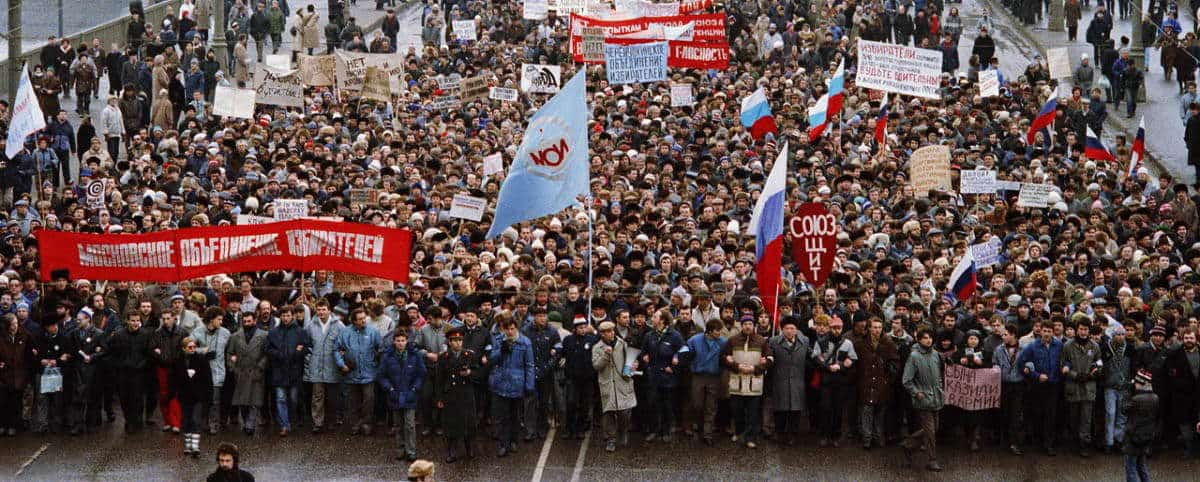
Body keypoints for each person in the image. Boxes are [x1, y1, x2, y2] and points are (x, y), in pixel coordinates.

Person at [721, 314, 770, 449]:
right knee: (737, 411)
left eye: (750, 324)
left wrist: (756, 368)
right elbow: (724, 357)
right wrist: (737, 366)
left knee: (753, 413)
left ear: (754, 325)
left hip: (754, 383)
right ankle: (739, 431)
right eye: (745, 324)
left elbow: (770, 359)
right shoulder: (732, 340)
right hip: (737, 381)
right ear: (741, 326)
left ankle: (751, 438)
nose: (748, 326)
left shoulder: (762, 341)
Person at [489, 315, 534, 457]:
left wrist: (529, 385)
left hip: (517, 383)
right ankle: (503, 444)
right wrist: (500, 350)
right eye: (507, 329)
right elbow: (492, 359)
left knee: (515, 416)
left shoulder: (525, 342)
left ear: (516, 328)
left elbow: (529, 365)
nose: (509, 332)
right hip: (501, 383)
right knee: (503, 416)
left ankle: (514, 440)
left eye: (512, 329)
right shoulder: (498, 340)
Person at [335, 308, 384, 436]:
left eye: (364, 318)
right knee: (353, 401)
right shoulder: (344, 332)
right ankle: (355, 424)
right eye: (360, 319)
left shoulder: (373, 331)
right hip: (351, 374)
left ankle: (366, 424)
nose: (364, 321)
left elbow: (381, 349)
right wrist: (341, 364)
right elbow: (336, 350)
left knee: (369, 400)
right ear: (354, 321)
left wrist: (377, 365)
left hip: (369, 373)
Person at [901, 328, 944, 472]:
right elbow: (907, 380)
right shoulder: (914, 356)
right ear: (919, 339)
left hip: (936, 397)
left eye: (930, 337)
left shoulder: (936, 354)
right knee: (930, 431)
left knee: (933, 429)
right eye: (925, 338)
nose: (928, 340)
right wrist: (916, 392)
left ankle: (907, 444)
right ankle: (932, 460)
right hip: (924, 398)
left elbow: (939, 375)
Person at [378, 329, 424, 462]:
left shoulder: (414, 355)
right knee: (398, 424)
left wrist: (415, 389)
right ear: (394, 341)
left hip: (410, 394)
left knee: (409, 424)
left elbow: (421, 374)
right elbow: (382, 375)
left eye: (403, 340)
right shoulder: (388, 356)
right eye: (398, 340)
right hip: (395, 394)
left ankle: (411, 451)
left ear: (406, 340)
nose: (400, 343)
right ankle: (400, 449)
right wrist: (389, 389)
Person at [1019, 324, 1065, 455]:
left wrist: (1065, 367)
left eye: (1049, 331)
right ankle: (1037, 439)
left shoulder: (1059, 345)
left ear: (1052, 332)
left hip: (1053, 384)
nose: (1046, 333)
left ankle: (1048, 444)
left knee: (1051, 415)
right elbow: (1022, 364)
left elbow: (1066, 360)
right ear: (1041, 332)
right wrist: (1036, 376)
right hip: (1038, 385)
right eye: (1044, 331)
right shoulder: (1032, 346)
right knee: (1038, 413)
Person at [855, 318, 900, 450]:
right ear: (869, 328)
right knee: (867, 411)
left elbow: (896, 363)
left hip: (882, 383)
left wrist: (889, 377)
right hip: (866, 383)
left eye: (879, 327)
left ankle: (877, 436)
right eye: (874, 327)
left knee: (880, 412)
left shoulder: (889, 344)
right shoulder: (860, 344)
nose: (877, 330)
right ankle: (867, 439)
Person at [434, 326, 477, 463]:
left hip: (466, 394)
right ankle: (452, 451)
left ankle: (469, 448)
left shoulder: (469, 355)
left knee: (468, 423)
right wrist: (439, 398)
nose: (458, 343)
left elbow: (479, 374)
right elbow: (439, 379)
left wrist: (470, 374)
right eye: (454, 340)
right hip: (450, 394)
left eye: (460, 340)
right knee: (450, 424)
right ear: (449, 342)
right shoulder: (444, 357)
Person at [679, 319, 725, 445]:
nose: (720, 333)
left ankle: (707, 433)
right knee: (697, 404)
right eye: (717, 331)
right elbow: (684, 354)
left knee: (711, 405)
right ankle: (697, 425)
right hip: (698, 376)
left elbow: (726, 357)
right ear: (709, 331)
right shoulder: (694, 340)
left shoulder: (722, 342)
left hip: (714, 376)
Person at [266, 305, 309, 436]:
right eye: (283, 316)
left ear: (293, 316)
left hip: (294, 370)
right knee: (280, 398)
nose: (285, 318)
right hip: (279, 370)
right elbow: (268, 349)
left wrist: (298, 352)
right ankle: (284, 425)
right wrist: (278, 354)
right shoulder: (273, 332)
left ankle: (292, 419)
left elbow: (306, 347)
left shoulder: (300, 331)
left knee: (293, 399)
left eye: (288, 315)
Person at [303, 300, 344, 434]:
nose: (321, 312)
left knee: (332, 396)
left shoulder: (338, 325)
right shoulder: (310, 326)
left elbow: (344, 342)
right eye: (318, 310)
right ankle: (318, 422)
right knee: (317, 396)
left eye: (323, 309)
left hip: (332, 365)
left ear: (329, 310)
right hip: (316, 365)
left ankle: (332, 420)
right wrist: (310, 358)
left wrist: (342, 354)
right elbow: (307, 344)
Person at [109, 311, 151, 433]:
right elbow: (112, 352)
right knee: (125, 398)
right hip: (123, 372)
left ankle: (137, 420)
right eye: (133, 320)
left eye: (138, 320)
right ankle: (129, 420)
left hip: (139, 372)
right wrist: (119, 365)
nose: (135, 323)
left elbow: (149, 354)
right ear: (127, 321)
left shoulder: (145, 335)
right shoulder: (119, 335)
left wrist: (142, 364)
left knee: (137, 397)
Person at [227, 311, 267, 436]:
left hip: (256, 371)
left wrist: (261, 366)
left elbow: (267, 353)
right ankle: (246, 422)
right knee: (243, 402)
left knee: (255, 401)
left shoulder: (264, 335)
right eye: (244, 321)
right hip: (241, 372)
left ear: (255, 321)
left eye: (249, 321)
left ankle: (250, 424)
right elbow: (229, 353)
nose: (247, 323)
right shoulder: (235, 336)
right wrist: (233, 367)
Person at [1162, 328, 1200, 457]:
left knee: (1197, 421)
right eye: (1186, 338)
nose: (1189, 340)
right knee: (1184, 423)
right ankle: (1188, 448)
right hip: (1181, 395)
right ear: (1182, 339)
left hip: (1198, 396)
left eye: (1191, 338)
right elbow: (1169, 374)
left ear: (1196, 339)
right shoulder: (1174, 354)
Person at [560, 316, 598, 440]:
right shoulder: (568, 340)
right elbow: (563, 354)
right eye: (580, 328)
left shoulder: (591, 339)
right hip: (572, 377)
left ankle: (580, 428)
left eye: (584, 327)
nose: (583, 330)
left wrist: (594, 331)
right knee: (571, 403)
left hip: (587, 378)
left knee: (585, 404)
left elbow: (601, 340)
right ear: (575, 329)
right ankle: (569, 427)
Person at [175, 337, 213, 457]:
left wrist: (208, 395)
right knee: (186, 420)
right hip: (185, 396)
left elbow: (207, 379)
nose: (192, 349)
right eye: (189, 347)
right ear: (184, 348)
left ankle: (195, 447)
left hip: (198, 396)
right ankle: (188, 446)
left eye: (194, 347)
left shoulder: (201, 360)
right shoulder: (179, 361)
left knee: (196, 420)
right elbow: (174, 379)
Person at [0, 314, 33, 436]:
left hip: (19, 374)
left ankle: (14, 425)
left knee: (16, 401)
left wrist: (27, 371)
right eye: (12, 324)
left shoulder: (25, 335)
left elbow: (30, 355)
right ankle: (3, 424)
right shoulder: (1, 337)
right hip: (4, 374)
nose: (15, 326)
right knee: (3, 401)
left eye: (16, 323)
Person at [1124, 370, 1159, 482]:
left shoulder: (1136, 399)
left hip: (1134, 437)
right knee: (1142, 466)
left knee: (1131, 468)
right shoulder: (1155, 398)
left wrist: (1127, 392)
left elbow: (1123, 409)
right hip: (1147, 436)